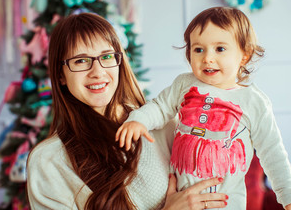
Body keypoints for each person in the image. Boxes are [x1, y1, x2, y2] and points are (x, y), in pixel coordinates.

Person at [26, 12, 228, 210]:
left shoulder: (162, 126)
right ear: (60, 75)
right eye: (81, 61)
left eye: (106, 56)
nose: (98, 72)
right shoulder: (48, 159)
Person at [116, 7, 291, 210]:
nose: (207, 58)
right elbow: (160, 107)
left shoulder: (253, 101)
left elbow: (272, 151)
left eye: (220, 49)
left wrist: (287, 193)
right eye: (198, 49)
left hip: (226, 203)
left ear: (244, 55)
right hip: (182, 199)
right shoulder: (184, 84)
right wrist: (138, 120)